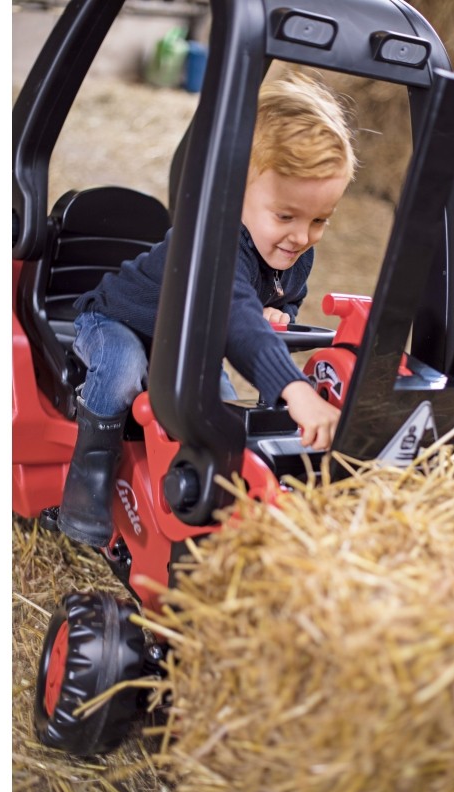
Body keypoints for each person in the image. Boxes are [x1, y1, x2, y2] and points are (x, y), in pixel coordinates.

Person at [58, 71, 358, 547]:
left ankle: (181, 501)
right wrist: (297, 392)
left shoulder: (294, 252)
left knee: (214, 409)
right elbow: (236, 319)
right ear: (233, 193)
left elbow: (281, 299)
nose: (302, 236)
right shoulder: (213, 242)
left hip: (184, 343)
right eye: (286, 216)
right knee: (123, 370)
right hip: (118, 321)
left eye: (320, 219)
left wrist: (284, 316)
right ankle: (89, 475)